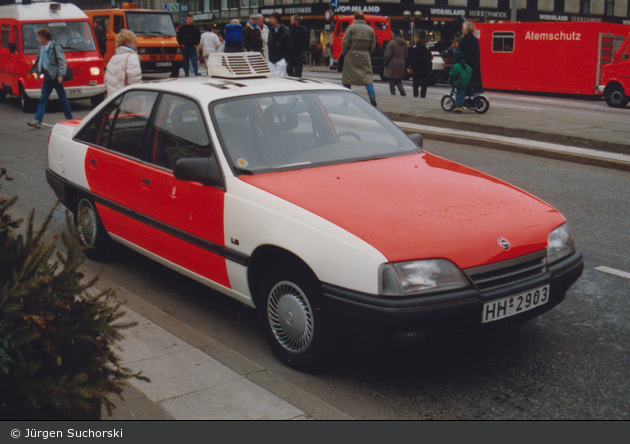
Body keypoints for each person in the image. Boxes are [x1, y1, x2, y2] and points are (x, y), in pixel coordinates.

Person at [27, 28, 73, 129]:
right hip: (47, 76)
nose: (38, 40)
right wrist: (39, 73)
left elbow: (62, 62)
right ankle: (37, 120)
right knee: (43, 99)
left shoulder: (55, 47)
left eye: (39, 37)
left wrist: (61, 76)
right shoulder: (41, 47)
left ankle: (70, 119)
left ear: (45, 37)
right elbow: (39, 61)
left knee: (63, 99)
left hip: (55, 77)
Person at [341, 12, 377, 107]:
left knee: (347, 78)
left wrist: (346, 53)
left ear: (355, 18)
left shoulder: (351, 28)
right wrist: (367, 53)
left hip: (351, 54)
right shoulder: (370, 29)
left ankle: (345, 101)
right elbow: (373, 45)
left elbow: (345, 42)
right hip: (364, 55)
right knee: (367, 76)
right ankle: (372, 96)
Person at [104, 30, 142, 97]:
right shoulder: (132, 57)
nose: (136, 44)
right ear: (127, 43)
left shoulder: (112, 59)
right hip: (127, 100)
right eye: (134, 42)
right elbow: (135, 82)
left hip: (113, 99)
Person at [459, 21, 483, 93]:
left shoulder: (463, 40)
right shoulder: (475, 40)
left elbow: (461, 54)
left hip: (466, 66)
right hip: (474, 66)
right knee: (473, 83)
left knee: (465, 84)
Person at [383, 31, 408, 96]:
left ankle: (393, 93)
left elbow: (387, 55)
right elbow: (406, 54)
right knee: (398, 79)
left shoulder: (391, 43)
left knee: (391, 79)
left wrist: (385, 62)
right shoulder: (404, 43)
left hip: (392, 62)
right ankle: (402, 90)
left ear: (393, 34)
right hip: (401, 62)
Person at [267, 12, 292, 77]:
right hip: (272, 60)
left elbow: (288, 46)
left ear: (276, 19)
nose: (270, 20)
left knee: (279, 79)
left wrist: (285, 59)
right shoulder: (271, 29)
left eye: (271, 18)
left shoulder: (285, 30)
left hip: (280, 59)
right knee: (271, 77)